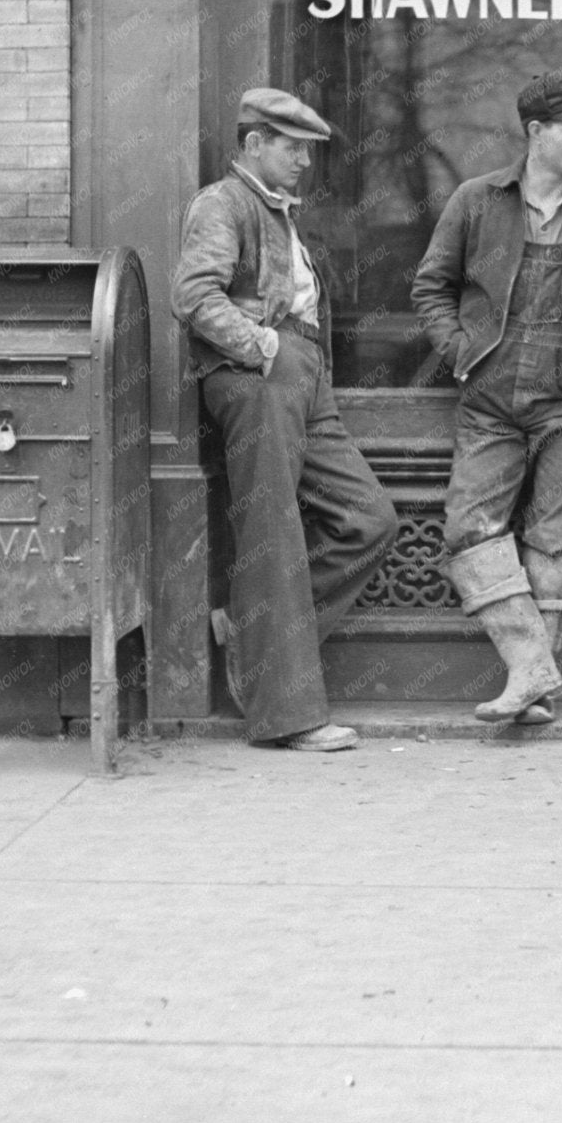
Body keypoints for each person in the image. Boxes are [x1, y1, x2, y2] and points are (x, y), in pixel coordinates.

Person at [412, 74, 562, 723]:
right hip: (490, 392)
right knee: (470, 529)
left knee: (556, 541)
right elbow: (431, 287)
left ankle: (530, 687)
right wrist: (460, 349)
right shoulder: (476, 201)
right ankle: (533, 670)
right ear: (535, 133)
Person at [170, 86, 398, 753]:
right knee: (273, 533)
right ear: (254, 145)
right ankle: (286, 716)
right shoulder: (224, 203)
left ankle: (250, 631)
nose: (304, 161)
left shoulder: (276, 211)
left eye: (308, 149)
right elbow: (193, 295)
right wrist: (261, 347)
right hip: (259, 376)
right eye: (292, 148)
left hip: (302, 377)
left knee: (369, 520)